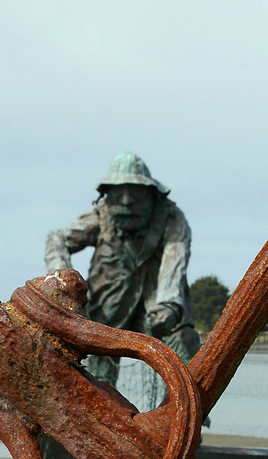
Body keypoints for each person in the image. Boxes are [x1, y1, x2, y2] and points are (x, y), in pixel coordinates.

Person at [45, 152, 201, 387]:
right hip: (108, 310)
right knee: (98, 375)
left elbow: (175, 262)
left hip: (157, 307)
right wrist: (64, 284)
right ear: (108, 195)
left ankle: (191, 409)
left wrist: (167, 305)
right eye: (119, 194)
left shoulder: (171, 219)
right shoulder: (101, 215)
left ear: (151, 195)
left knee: (184, 345)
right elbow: (58, 239)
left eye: (135, 194)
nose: (127, 201)